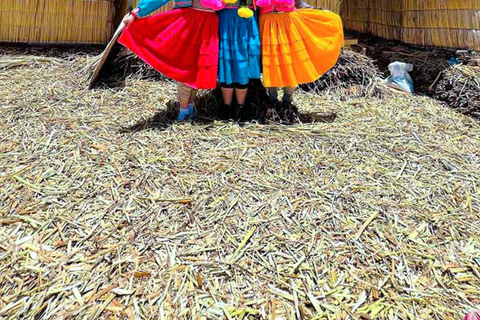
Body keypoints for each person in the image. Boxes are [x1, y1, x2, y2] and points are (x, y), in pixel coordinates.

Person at [118, 0, 224, 121]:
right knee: (186, 65)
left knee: (198, 66)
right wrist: (136, 13)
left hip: (209, 24)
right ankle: (183, 111)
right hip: (188, 22)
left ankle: (191, 105)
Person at [256, 0, 344, 107]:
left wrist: (319, 11)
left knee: (290, 63)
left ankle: (287, 100)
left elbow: (299, 3)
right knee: (271, 63)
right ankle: (272, 100)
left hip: (287, 24)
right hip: (267, 25)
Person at [217, 0, 261, 119]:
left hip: (245, 19)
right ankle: (227, 107)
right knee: (227, 61)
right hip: (226, 18)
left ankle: (240, 107)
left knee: (243, 61)